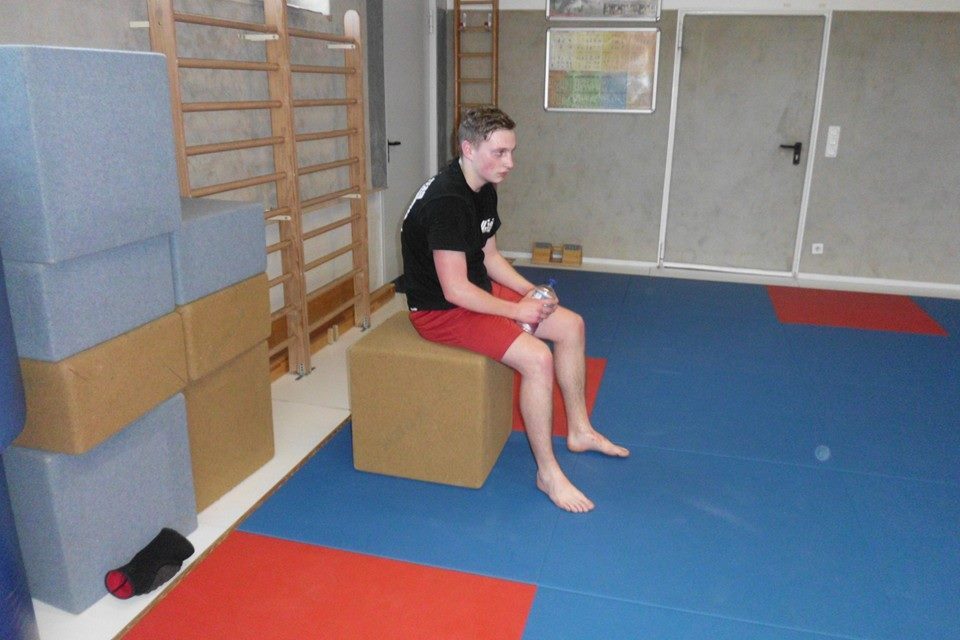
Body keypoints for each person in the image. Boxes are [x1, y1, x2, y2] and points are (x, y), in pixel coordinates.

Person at [400, 106, 628, 513]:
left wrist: (531, 291)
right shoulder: (448, 200)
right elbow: (454, 291)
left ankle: (579, 429)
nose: (510, 163)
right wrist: (515, 312)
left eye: (512, 152)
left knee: (571, 325)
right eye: (500, 152)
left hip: (474, 290)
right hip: (438, 311)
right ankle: (547, 473)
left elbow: (488, 257)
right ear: (468, 148)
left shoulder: (483, 185)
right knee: (537, 359)